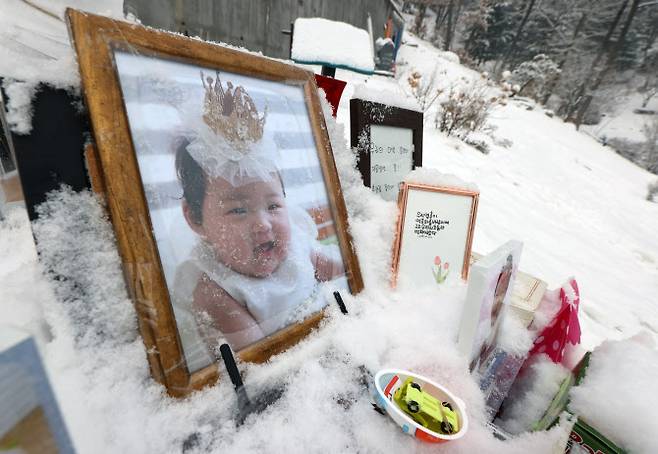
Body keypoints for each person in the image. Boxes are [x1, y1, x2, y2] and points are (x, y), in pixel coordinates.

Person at [173, 72, 344, 352]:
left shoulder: (295, 246)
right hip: (297, 370)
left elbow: (336, 270)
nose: (263, 224)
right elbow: (259, 362)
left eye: (274, 206)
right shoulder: (216, 288)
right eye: (239, 210)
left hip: (338, 337)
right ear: (195, 218)